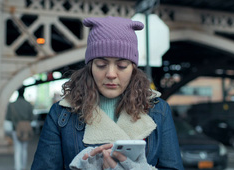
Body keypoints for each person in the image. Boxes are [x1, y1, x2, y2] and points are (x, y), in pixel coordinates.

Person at [31, 16, 183, 170]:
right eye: (101, 64)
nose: (111, 74)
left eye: (122, 65)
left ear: (133, 68)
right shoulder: (61, 114)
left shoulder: (159, 110)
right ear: (90, 67)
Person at [6, 87, 34, 170]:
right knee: (24, 148)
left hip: (16, 129)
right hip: (26, 129)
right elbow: (31, 117)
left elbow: (8, 117)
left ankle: (18, 167)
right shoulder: (29, 105)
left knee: (18, 148)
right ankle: (24, 166)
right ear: (24, 92)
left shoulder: (12, 105)